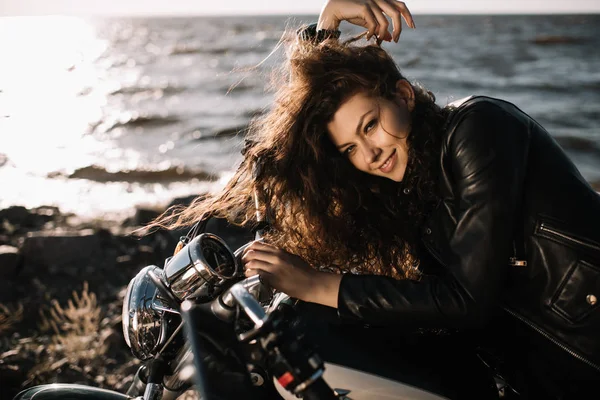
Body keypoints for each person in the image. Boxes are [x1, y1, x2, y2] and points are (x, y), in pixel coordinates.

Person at [150, 1, 600, 398]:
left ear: (403, 95)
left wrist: (315, 283)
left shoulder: (478, 129)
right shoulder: (407, 184)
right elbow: (301, 150)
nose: (369, 153)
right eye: (350, 148)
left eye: (370, 125)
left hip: (583, 361)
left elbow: (466, 298)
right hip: (528, 370)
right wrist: (325, 26)